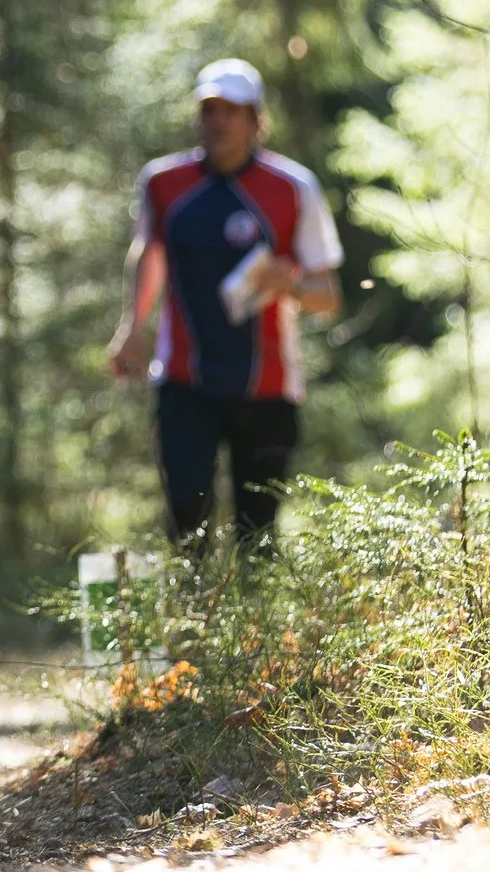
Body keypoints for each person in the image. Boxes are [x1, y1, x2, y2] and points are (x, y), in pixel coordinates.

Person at [107, 59, 341, 547]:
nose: (218, 120)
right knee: (186, 522)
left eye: (231, 110)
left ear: (256, 119)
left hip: (268, 386)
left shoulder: (294, 188)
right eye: (209, 108)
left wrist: (289, 284)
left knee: (258, 534)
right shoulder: (163, 183)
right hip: (183, 380)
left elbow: (328, 298)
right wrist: (133, 327)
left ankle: (256, 621)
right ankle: (192, 622)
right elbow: (149, 253)